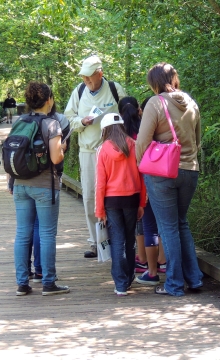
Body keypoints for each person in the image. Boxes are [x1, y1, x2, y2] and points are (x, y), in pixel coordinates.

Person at [136, 62, 203, 296]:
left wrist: (140, 164)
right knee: (181, 223)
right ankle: (194, 279)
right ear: (174, 78)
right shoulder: (191, 103)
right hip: (190, 170)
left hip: (162, 172)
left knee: (168, 227)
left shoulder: (156, 103)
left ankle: (174, 284)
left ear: (154, 83)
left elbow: (143, 141)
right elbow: (197, 139)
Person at [64, 55, 127, 258]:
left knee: (116, 196)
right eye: (84, 78)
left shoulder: (115, 89)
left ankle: (119, 240)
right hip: (89, 151)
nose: (87, 82)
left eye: (90, 78)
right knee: (91, 196)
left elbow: (129, 115)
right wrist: (82, 122)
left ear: (100, 73)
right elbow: (68, 118)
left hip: (115, 152)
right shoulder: (79, 91)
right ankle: (96, 241)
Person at [13, 81, 69, 296]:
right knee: (46, 234)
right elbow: (56, 158)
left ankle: (22, 283)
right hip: (45, 186)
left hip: (20, 186)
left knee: (22, 234)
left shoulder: (20, 122)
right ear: (49, 100)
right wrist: (62, 148)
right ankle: (48, 283)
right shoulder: (52, 124)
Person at [95, 113, 146, 296]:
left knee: (117, 240)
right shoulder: (133, 145)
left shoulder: (103, 149)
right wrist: (142, 202)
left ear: (105, 129)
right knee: (130, 239)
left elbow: (100, 183)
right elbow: (142, 176)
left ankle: (120, 284)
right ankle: (129, 276)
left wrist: (99, 209)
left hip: (112, 201)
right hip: (132, 199)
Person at [118, 96, 166, 284]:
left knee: (146, 227)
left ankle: (147, 265)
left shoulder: (122, 136)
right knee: (163, 225)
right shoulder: (151, 131)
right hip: (160, 180)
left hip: (138, 186)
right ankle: (163, 261)